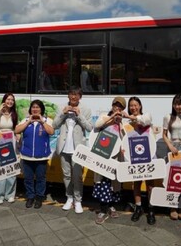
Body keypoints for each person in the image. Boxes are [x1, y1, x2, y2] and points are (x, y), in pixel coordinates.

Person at [52, 86, 93, 214]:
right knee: (66, 175)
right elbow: (54, 125)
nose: (73, 97)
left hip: (78, 148)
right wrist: (63, 113)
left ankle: (78, 200)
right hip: (64, 147)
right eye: (71, 94)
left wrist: (79, 115)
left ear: (80, 97)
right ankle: (69, 198)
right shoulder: (61, 107)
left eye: (76, 95)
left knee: (77, 176)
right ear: (68, 96)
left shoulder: (85, 109)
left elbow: (89, 127)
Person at [15, 100, 54, 209]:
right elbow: (17, 130)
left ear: (41, 109)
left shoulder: (47, 120)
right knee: (28, 178)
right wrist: (28, 122)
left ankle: (39, 197)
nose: (35, 109)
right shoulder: (26, 120)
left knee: (41, 178)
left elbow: (51, 132)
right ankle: (30, 197)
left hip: (41, 156)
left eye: (37, 107)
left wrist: (42, 122)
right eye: (33, 107)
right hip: (26, 155)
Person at [93, 96, 126, 224]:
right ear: (112, 106)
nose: (117, 107)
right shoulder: (104, 117)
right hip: (103, 154)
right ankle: (102, 210)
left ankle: (111, 206)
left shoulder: (124, 121)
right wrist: (112, 117)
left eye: (120, 106)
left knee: (114, 183)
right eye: (115, 105)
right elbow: (97, 125)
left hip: (116, 156)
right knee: (103, 182)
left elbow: (125, 137)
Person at [125, 96, 157, 225]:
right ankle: (138, 208)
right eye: (131, 105)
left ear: (140, 106)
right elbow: (125, 140)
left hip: (149, 156)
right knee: (136, 183)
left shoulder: (146, 116)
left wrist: (131, 117)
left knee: (150, 184)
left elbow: (144, 121)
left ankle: (151, 209)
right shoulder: (127, 124)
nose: (133, 107)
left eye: (135, 105)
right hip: (135, 157)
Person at [0, 92, 19, 204]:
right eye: (8, 99)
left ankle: (10, 194)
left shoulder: (14, 114)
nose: (10, 102)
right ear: (4, 101)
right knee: (0, 169)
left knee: (11, 169)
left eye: (12, 100)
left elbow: (16, 129)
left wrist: (18, 138)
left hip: (11, 143)